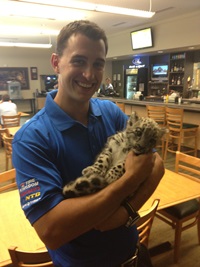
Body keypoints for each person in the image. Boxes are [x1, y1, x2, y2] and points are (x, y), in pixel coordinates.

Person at [12, 20, 164, 267]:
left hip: (134, 257)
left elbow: (156, 165)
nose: (89, 75)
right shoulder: (31, 139)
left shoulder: (111, 113)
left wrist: (120, 215)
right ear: (56, 63)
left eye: (98, 64)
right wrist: (129, 181)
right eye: (78, 61)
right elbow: (51, 231)